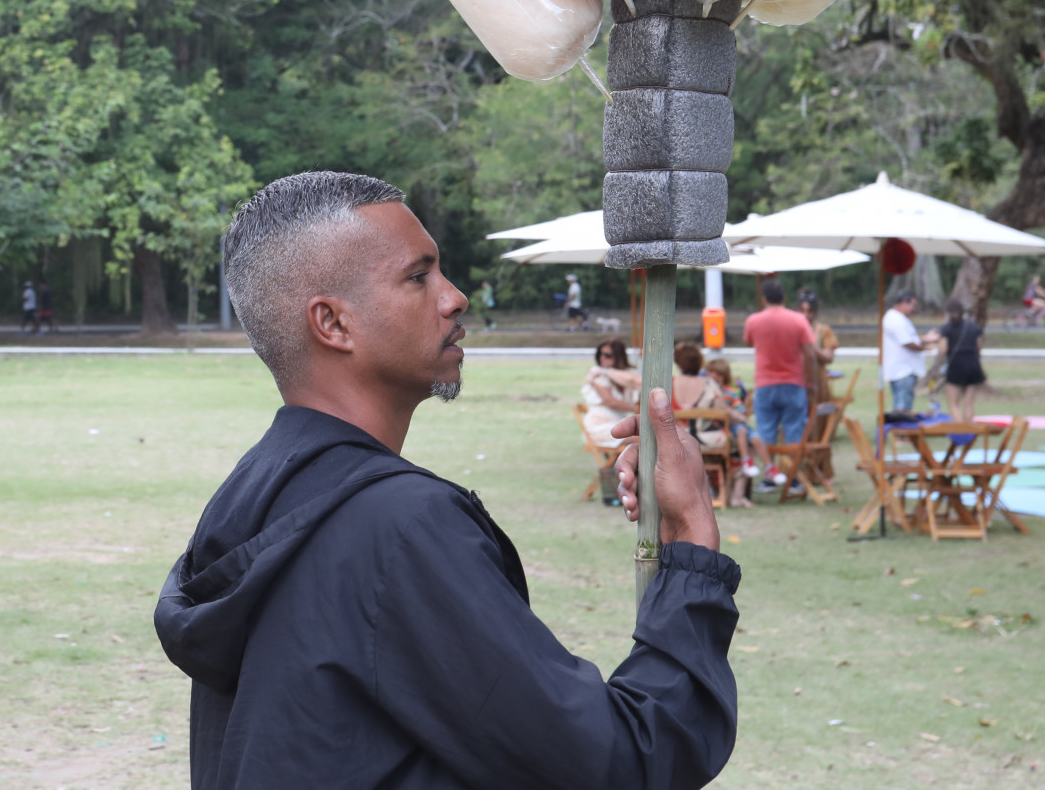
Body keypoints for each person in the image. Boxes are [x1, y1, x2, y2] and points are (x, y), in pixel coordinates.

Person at [155, 171, 740, 789]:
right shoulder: (398, 526)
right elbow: (622, 762)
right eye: (418, 276)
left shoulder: (251, 491)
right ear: (332, 323)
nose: (455, 296)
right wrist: (689, 544)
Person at [742, 279, 819, 475]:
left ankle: (770, 474)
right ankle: (793, 477)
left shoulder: (753, 320)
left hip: (765, 383)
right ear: (784, 298)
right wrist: (813, 382)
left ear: (764, 299)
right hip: (794, 383)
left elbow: (749, 342)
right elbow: (810, 354)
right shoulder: (799, 320)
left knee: (766, 431)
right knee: (794, 432)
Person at [702, 357, 770, 507]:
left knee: (748, 446)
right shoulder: (706, 392)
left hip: (731, 434)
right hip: (717, 436)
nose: (713, 378)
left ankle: (738, 495)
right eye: (710, 374)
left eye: (717, 375)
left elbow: (740, 414)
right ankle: (736, 496)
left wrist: (735, 416)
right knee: (743, 448)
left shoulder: (730, 392)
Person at [580, 337, 640, 450]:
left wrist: (607, 371)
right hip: (600, 426)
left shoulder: (625, 373)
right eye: (599, 354)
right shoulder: (596, 373)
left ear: (618, 356)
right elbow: (609, 401)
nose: (602, 358)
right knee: (641, 439)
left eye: (607, 355)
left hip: (619, 422)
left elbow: (635, 382)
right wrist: (636, 408)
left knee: (643, 437)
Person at [934, 297, 987, 422]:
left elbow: (943, 349)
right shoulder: (973, 326)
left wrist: (935, 342)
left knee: (953, 403)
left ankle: (961, 431)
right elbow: (979, 346)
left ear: (948, 313)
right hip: (974, 365)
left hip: (956, 366)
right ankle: (969, 430)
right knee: (969, 402)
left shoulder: (946, 329)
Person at [880, 289, 928, 414]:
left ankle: (903, 433)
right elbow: (907, 342)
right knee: (902, 410)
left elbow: (911, 338)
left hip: (905, 370)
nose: (914, 309)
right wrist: (926, 348)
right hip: (902, 371)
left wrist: (925, 339)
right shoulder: (895, 319)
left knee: (905, 407)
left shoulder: (899, 318)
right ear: (903, 303)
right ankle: (901, 434)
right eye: (913, 305)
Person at [796, 289, 838, 406]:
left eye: (809, 311)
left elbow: (829, 357)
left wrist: (811, 347)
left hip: (818, 384)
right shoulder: (791, 330)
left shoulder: (824, 330)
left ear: (816, 311)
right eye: (802, 311)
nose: (806, 315)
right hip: (796, 384)